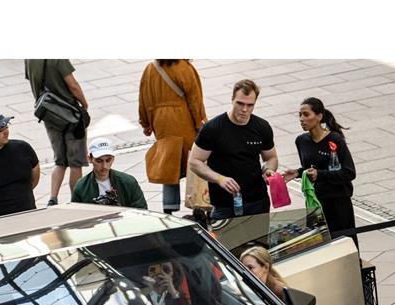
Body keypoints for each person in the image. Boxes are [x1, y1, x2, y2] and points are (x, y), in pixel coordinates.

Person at [189, 79, 279, 220]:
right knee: (226, 243)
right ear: (232, 100)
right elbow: (194, 162)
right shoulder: (213, 128)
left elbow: (271, 157)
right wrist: (219, 179)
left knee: (260, 243)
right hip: (224, 205)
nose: (244, 109)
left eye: (250, 105)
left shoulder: (262, 126)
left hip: (257, 201)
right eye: (240, 103)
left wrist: (268, 170)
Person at [138, 59, 207, 215]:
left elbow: (143, 99)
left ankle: (169, 207)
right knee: (194, 162)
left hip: (162, 124)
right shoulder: (184, 67)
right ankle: (198, 205)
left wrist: (146, 123)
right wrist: (200, 121)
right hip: (184, 121)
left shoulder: (150, 69)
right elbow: (195, 98)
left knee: (169, 164)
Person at [284, 97, 357, 239]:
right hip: (316, 202)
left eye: (306, 114)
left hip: (338, 202)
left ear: (319, 116)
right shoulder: (301, 141)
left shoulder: (335, 140)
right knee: (320, 244)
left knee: (344, 244)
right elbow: (310, 168)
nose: (301, 119)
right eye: (300, 115)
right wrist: (298, 172)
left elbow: (349, 172)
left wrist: (320, 175)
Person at [24, 60, 89, 206]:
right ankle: (76, 200)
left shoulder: (29, 59)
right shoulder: (58, 58)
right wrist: (84, 103)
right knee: (75, 163)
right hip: (70, 114)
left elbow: (34, 81)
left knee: (60, 161)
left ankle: (53, 198)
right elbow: (73, 85)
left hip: (49, 113)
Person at [70, 137, 147, 208]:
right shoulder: (81, 187)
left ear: (113, 159)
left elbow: (141, 210)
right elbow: (77, 215)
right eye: (99, 161)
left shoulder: (128, 182)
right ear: (90, 159)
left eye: (108, 160)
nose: (104, 166)